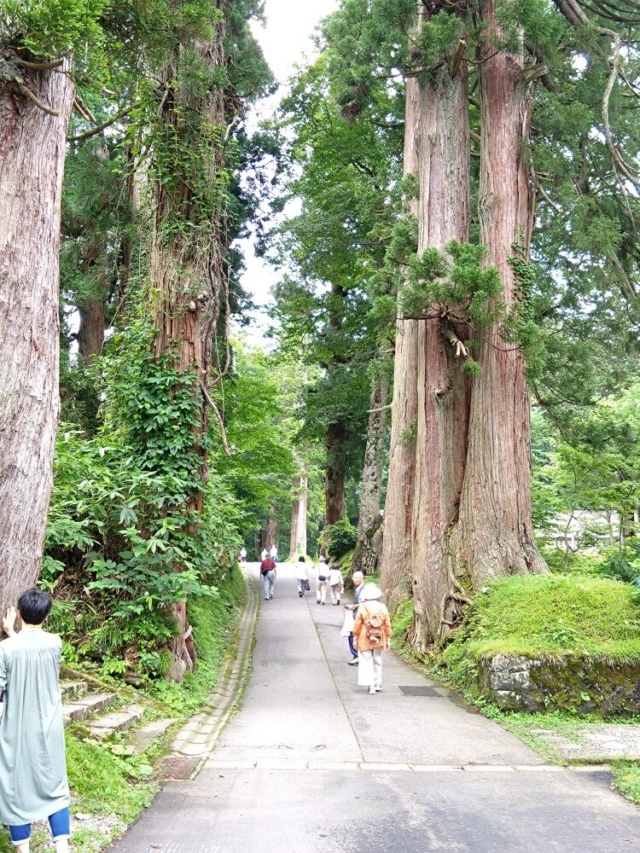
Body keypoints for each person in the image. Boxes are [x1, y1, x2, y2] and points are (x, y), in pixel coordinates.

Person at [0, 588, 70, 853]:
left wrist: (10, 633)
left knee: (15, 786)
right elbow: (32, 650)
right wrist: (13, 634)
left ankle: (23, 849)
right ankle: (62, 846)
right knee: (54, 784)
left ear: (18, 613)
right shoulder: (55, 642)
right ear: (47, 615)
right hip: (50, 728)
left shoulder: (6, 649)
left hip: (16, 729)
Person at [352, 583, 392, 695]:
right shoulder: (382, 607)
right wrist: (388, 638)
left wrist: (355, 637)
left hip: (365, 636)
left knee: (366, 660)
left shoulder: (363, 607)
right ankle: (378, 683)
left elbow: (357, 623)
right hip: (379, 635)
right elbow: (387, 624)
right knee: (377, 659)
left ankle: (371, 686)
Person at [345, 571, 365, 664]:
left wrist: (353, 607)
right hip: (358, 615)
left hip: (360, 616)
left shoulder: (363, 589)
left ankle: (357, 656)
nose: (354, 579)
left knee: (353, 635)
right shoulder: (359, 588)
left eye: (356, 577)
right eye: (354, 577)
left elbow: (363, 603)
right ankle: (359, 655)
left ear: (361, 578)